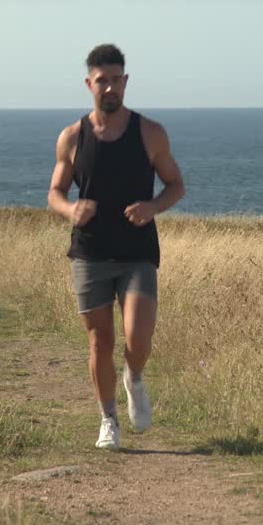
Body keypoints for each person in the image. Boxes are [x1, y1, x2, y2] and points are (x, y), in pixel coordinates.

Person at [47, 43, 186, 451]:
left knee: (136, 339)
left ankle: (135, 378)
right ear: (89, 84)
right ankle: (108, 419)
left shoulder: (150, 133)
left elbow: (176, 184)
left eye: (116, 80)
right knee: (98, 342)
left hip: (137, 251)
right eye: (101, 80)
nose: (109, 88)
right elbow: (54, 193)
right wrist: (71, 210)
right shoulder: (72, 137)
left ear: (126, 83)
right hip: (90, 253)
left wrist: (153, 206)